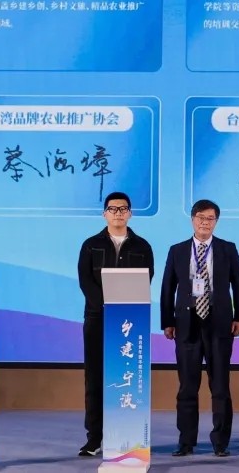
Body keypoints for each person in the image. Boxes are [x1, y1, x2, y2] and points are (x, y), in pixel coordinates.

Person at [160, 199, 239, 457]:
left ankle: (220, 442)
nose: (205, 222)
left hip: (219, 325)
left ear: (216, 222)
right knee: (187, 387)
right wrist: (167, 321)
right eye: (200, 217)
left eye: (210, 218)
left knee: (220, 387)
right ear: (192, 219)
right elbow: (167, 288)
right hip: (186, 325)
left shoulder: (227, 249)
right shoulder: (177, 250)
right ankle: (186, 441)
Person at [76, 191, 155, 457]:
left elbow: (146, 279)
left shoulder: (142, 246)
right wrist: (106, 306)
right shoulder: (91, 245)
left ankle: (128, 435)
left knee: (127, 378)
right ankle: (94, 438)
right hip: (97, 319)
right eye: (113, 209)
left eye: (123, 209)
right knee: (95, 378)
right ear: (105, 214)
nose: (118, 213)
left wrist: (123, 309)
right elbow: (85, 281)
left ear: (130, 213)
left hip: (130, 322)